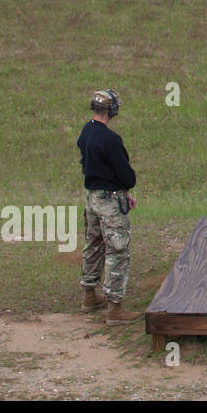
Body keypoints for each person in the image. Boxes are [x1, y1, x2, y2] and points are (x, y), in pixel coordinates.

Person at [77, 89, 142, 324]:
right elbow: (127, 176)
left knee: (93, 245)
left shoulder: (86, 131)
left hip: (93, 199)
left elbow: (88, 165)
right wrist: (124, 191)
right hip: (111, 204)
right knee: (118, 250)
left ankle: (89, 296)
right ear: (112, 110)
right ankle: (115, 308)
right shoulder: (111, 140)